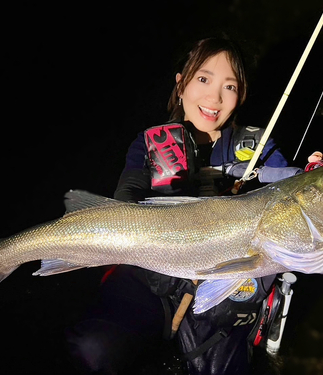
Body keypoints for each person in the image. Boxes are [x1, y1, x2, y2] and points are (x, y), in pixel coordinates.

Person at [66, 36, 303, 375]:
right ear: (181, 84)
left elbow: (289, 199)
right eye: (203, 79)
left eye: (230, 86)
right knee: (94, 348)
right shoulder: (150, 141)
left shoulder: (259, 147)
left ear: (241, 95)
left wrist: (310, 172)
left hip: (224, 289)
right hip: (150, 276)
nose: (214, 97)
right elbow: (125, 201)